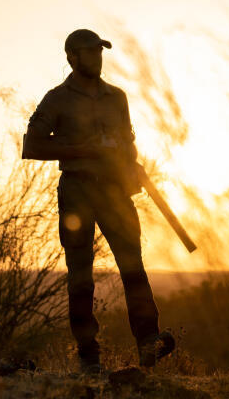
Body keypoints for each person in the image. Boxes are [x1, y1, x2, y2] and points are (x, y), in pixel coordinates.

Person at [22, 29, 174, 372]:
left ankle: (148, 342)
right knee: (80, 275)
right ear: (72, 58)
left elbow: (127, 141)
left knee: (134, 268)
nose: (97, 58)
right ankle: (88, 352)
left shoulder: (117, 97)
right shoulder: (57, 99)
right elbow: (31, 146)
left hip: (114, 191)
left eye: (100, 52)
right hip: (76, 189)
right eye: (89, 53)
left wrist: (132, 169)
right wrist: (83, 150)